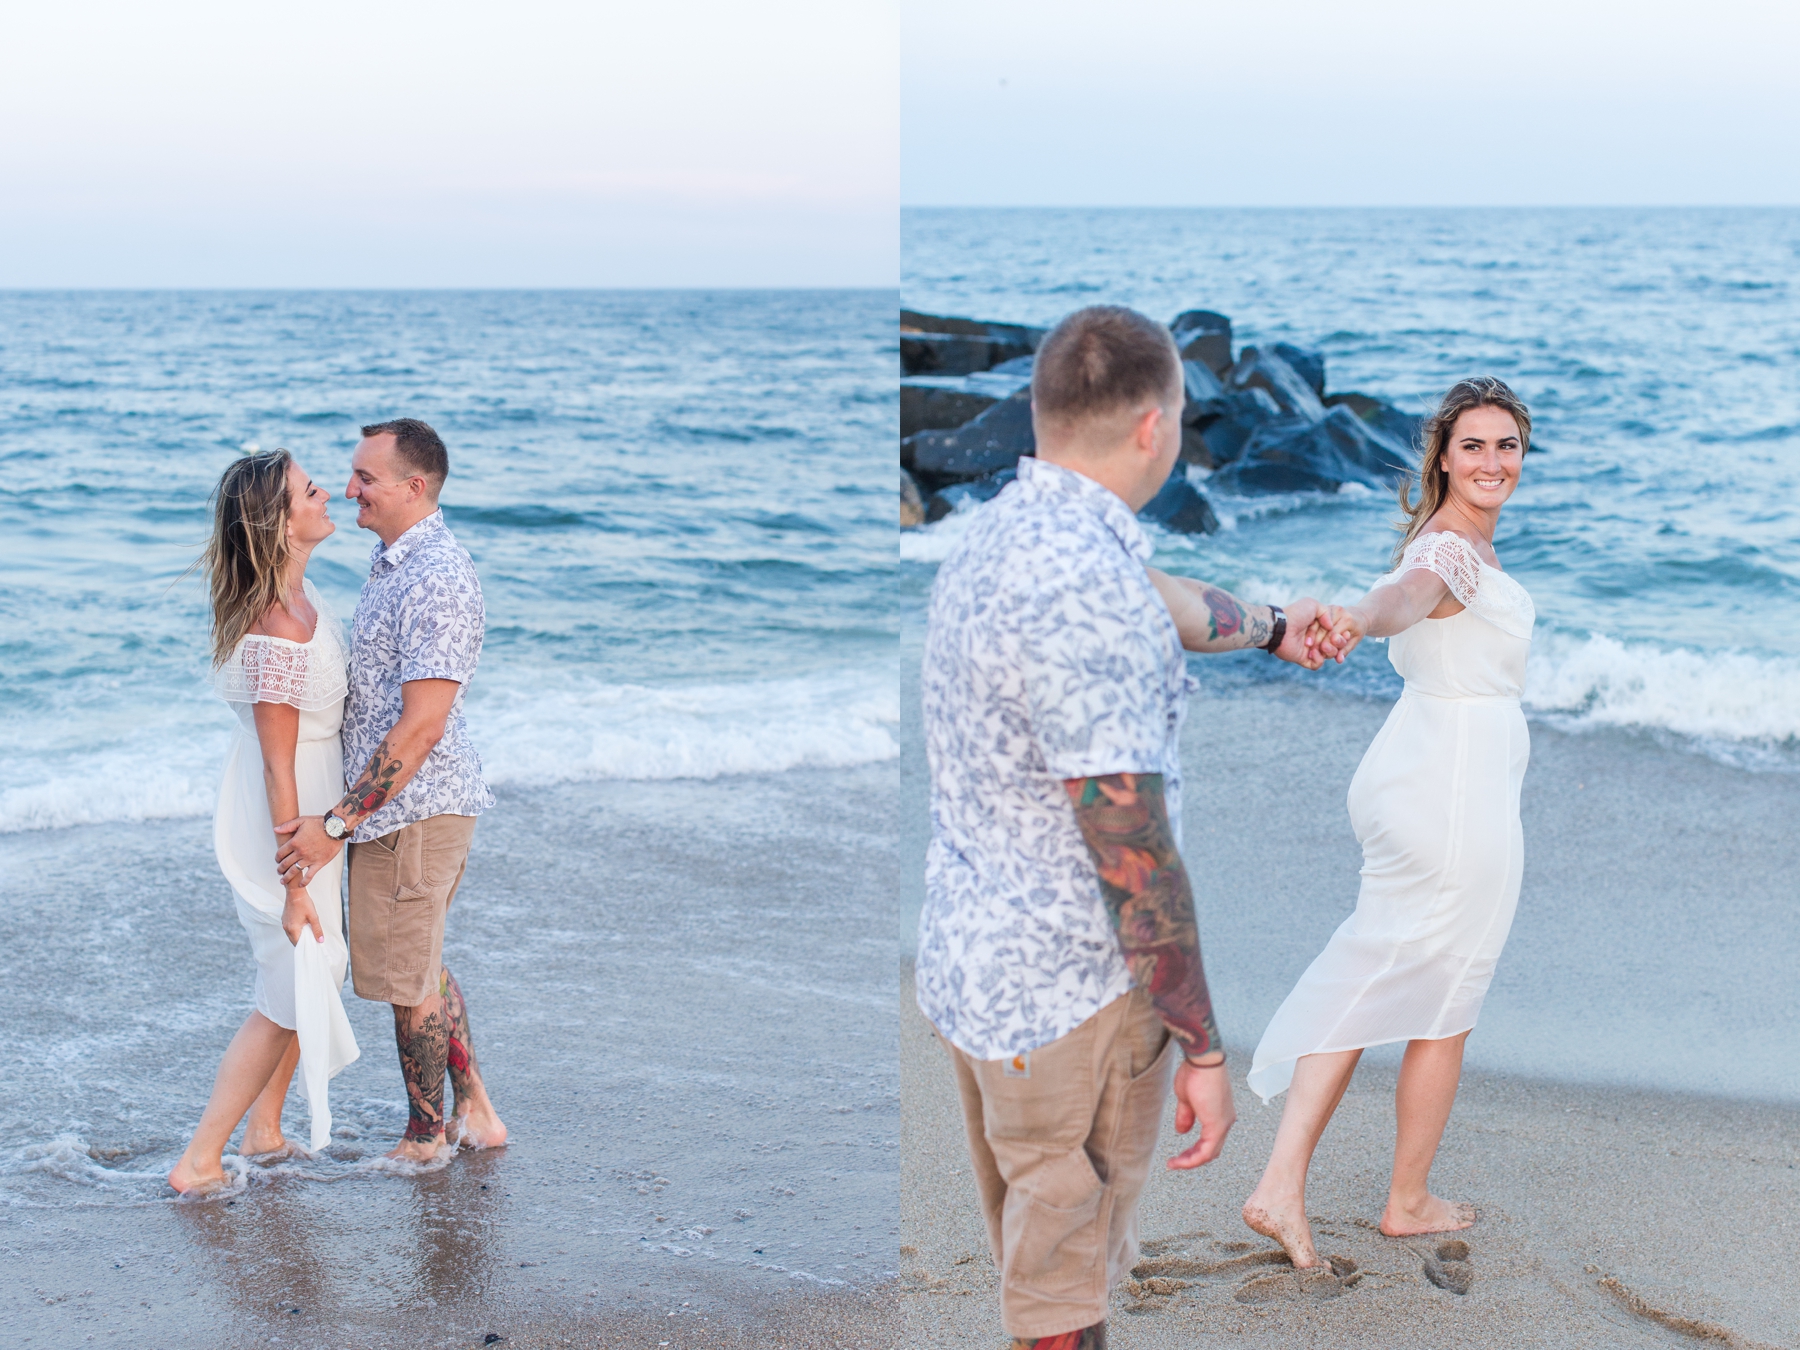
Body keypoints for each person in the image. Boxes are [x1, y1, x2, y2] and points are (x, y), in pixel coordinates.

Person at [917, 305, 1331, 1349]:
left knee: (1041, 1244)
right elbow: (1132, 851)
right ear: (1155, 426)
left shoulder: (1005, 532)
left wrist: (1274, 628)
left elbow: (1169, 602)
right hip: (1073, 998)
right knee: (1065, 1295)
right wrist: (1200, 1044)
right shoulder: (1085, 590)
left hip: (980, 968)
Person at [1241, 376, 1537, 1270]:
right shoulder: (1448, 552)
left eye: (1508, 446)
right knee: (1439, 999)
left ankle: (1330, 1187)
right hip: (1449, 795)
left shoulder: (1453, 544)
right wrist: (1358, 617)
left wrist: (1356, 616)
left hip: (1429, 776)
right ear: (1443, 454)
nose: (1492, 462)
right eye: (1474, 445)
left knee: (1392, 975)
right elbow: (1403, 598)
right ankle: (1384, 1197)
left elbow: (1403, 597)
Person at [274, 418, 506, 1161]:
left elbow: (421, 727)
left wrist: (334, 824)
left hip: (416, 809)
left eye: (365, 479)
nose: (350, 490)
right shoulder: (394, 561)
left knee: (408, 980)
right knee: (421, 963)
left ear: (415, 486)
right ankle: (476, 1115)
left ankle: (425, 1136)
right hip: (403, 811)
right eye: (350, 475)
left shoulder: (435, 576)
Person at [169, 450, 360, 1194]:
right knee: (288, 986)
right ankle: (199, 1160)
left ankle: (266, 1128)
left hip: (313, 813)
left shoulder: (305, 599)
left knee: (315, 975)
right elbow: (279, 766)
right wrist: (294, 886)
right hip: (284, 822)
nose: (325, 495)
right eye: (309, 491)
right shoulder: (278, 629)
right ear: (280, 525)